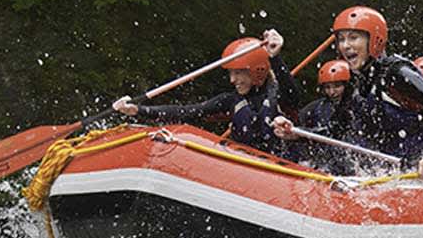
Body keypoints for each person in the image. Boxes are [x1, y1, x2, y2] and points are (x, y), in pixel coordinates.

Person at [273, 6, 423, 178]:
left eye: (353, 38)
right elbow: (337, 130)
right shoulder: (355, 81)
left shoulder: (397, 73)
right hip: (389, 173)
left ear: (374, 40)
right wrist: (298, 133)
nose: (345, 45)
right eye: (341, 39)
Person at [113, 29, 299, 156]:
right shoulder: (231, 100)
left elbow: (292, 95)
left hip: (278, 166)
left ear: (256, 70)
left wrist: (275, 57)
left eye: (238, 73)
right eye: (230, 73)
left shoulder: (277, 95)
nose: (232, 80)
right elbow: (188, 112)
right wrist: (138, 110)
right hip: (244, 164)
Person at [299, 59, 351, 128]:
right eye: (327, 87)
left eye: (337, 86)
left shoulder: (359, 105)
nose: (332, 92)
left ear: (347, 86)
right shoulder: (314, 108)